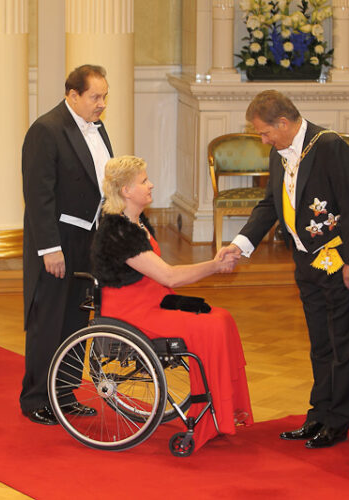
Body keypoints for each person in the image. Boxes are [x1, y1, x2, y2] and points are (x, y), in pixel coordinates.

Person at [219, 90, 349, 448]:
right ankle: (318, 414)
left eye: (265, 132)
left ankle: (338, 422)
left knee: (343, 342)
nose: (263, 140)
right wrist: (239, 245)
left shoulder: (330, 146)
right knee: (320, 343)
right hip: (305, 262)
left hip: (340, 261)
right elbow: (269, 206)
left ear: (283, 122)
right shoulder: (279, 153)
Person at [91, 155, 253, 452]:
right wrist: (214, 266)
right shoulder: (118, 230)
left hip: (152, 300)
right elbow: (169, 276)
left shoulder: (136, 222)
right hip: (131, 312)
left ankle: (222, 411)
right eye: (143, 181)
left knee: (222, 318)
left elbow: (163, 277)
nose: (150, 184)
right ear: (126, 190)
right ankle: (207, 416)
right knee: (208, 328)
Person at [20, 64, 112, 425]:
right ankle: (36, 398)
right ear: (73, 95)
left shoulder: (98, 128)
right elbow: (38, 195)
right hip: (58, 240)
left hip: (88, 237)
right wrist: (49, 249)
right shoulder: (46, 130)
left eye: (104, 96)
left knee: (77, 318)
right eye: (95, 96)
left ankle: (65, 392)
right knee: (49, 320)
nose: (102, 103)